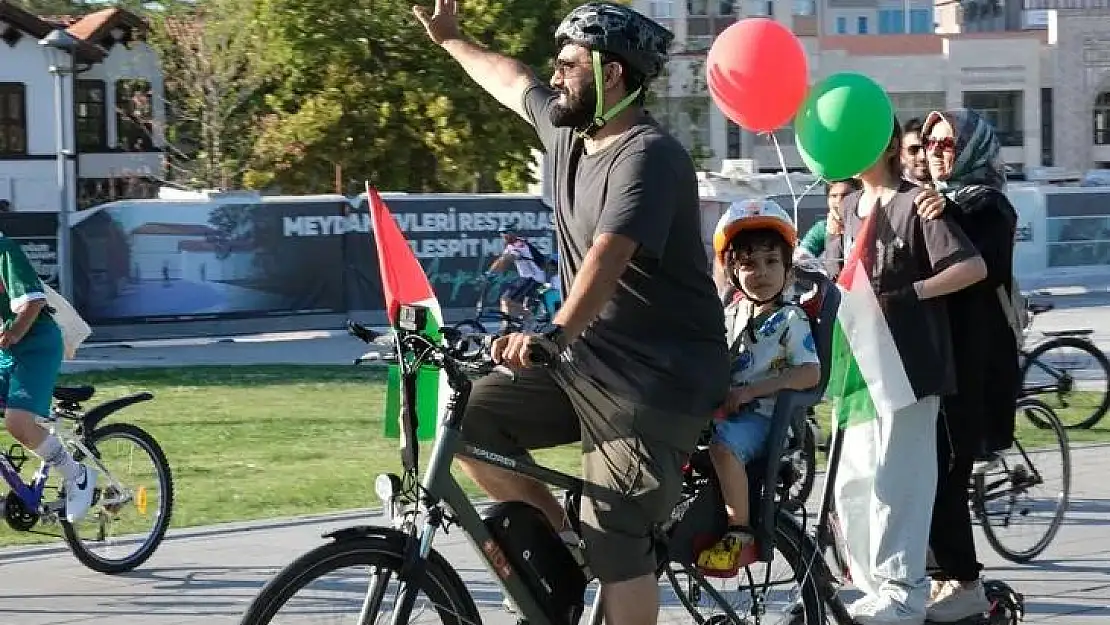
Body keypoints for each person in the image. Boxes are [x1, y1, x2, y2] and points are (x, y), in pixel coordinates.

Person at [414, 2, 730, 623]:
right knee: (464, 421)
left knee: (616, 533)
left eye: (567, 65)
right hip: (586, 365)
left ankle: (602, 552)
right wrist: (450, 39)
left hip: (657, 382)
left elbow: (608, 255)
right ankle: (564, 542)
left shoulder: (649, 156)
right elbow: (510, 81)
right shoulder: (567, 134)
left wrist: (553, 333)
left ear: (610, 74)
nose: (553, 75)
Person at [834, 119, 987, 625]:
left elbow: (971, 267)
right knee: (855, 483)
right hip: (857, 366)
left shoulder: (915, 201)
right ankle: (873, 586)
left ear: (881, 143)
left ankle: (903, 592)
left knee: (901, 479)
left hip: (910, 367)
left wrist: (913, 294)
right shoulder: (846, 208)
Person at [920, 108, 1020, 623]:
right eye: (931, 143)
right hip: (943, 364)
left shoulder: (989, 207)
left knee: (948, 474)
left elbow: (979, 269)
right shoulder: (938, 203)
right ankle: (945, 579)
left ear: (974, 149)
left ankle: (965, 582)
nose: (938, 152)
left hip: (976, 368)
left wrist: (944, 217)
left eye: (949, 144)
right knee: (931, 472)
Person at [696, 199, 821, 575]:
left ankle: (740, 530)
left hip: (767, 420)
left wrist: (751, 392)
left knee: (721, 448)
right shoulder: (733, 313)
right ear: (733, 272)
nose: (761, 273)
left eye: (771, 262)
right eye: (748, 264)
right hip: (731, 412)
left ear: (787, 269)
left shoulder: (790, 318)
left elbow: (810, 372)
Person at [0, 236, 97, 522]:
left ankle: (77, 476)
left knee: (18, 422)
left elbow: (34, 301)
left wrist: (15, 333)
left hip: (36, 346)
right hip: (7, 349)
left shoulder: (4, 250)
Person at [486, 223, 547, 330]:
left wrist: (490, 273)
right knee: (506, 302)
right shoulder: (511, 245)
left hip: (533, 278)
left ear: (512, 233)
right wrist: (491, 273)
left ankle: (529, 318)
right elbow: (502, 260)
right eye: (501, 233)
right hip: (527, 278)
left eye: (505, 233)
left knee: (506, 299)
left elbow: (507, 259)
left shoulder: (519, 244)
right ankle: (508, 325)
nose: (502, 236)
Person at [798, 179, 860, 260]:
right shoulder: (822, 229)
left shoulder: (868, 225)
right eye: (834, 196)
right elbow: (803, 254)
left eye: (846, 195)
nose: (839, 201)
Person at [902, 117, 930, 186]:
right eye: (913, 149)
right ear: (901, 155)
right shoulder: (891, 190)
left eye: (928, 148)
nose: (923, 157)